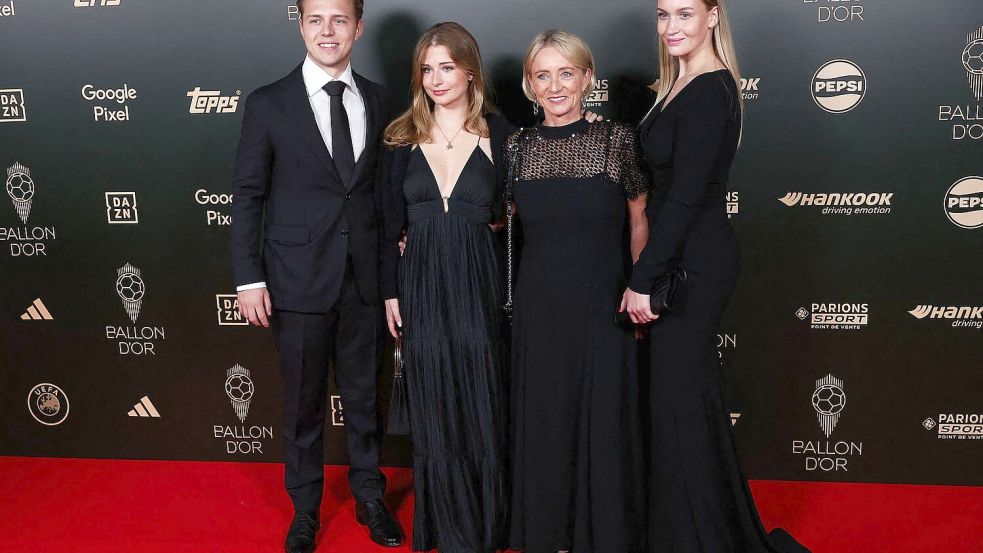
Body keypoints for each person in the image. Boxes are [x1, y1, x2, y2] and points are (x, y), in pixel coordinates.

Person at [622, 1, 810, 552]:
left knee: (679, 405)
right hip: (681, 257)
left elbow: (683, 200)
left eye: (685, 13)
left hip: (692, 265)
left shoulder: (711, 89)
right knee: (684, 403)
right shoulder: (680, 84)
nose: (672, 26)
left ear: (712, 16)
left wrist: (643, 278)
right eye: (662, 14)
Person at [229, 0, 404, 551]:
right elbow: (248, 195)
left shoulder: (380, 99)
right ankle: (304, 509)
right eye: (315, 20)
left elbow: (382, 192)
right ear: (300, 24)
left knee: (365, 400)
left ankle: (370, 497)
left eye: (339, 20)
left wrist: (395, 274)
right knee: (302, 406)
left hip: (366, 281)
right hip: (295, 280)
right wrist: (248, 277)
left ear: (358, 26)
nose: (327, 32)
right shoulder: (268, 104)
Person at [506, 29, 649, 553]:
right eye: (543, 75)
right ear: (529, 85)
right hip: (540, 309)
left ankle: (602, 535)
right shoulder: (517, 149)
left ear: (589, 77)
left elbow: (639, 220)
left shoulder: (618, 141)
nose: (556, 85)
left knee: (603, 423)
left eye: (566, 73)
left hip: (604, 305)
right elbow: (500, 223)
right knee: (546, 422)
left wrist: (640, 287)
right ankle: (548, 536)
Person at [378, 21, 514, 553]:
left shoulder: (503, 137)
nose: (435, 78)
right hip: (420, 287)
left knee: (482, 399)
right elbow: (387, 227)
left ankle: (486, 527)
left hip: (480, 286)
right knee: (434, 405)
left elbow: (522, 216)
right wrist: (392, 291)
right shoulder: (398, 139)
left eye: (446, 66)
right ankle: (447, 528)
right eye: (426, 69)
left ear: (470, 70)